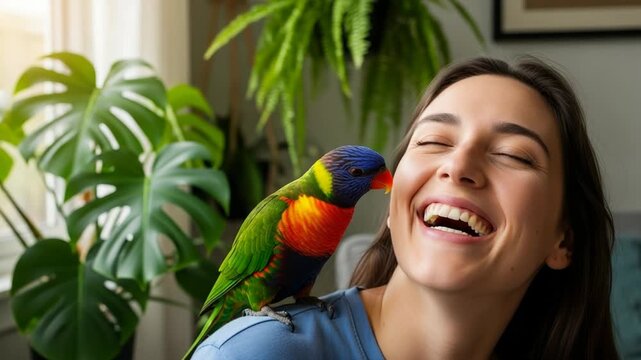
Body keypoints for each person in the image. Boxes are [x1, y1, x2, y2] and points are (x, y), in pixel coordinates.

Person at [191, 56, 620, 360]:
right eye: (433, 141)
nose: (457, 165)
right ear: (396, 207)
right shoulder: (254, 352)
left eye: (513, 154)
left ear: (564, 240)